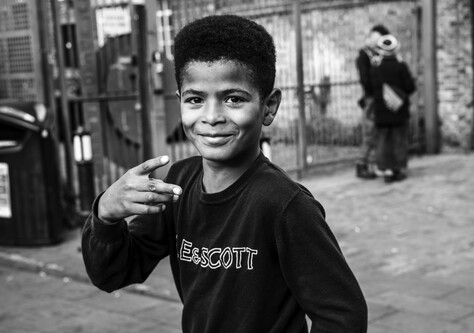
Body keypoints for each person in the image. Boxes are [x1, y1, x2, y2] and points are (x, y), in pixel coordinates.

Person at [81, 14, 367, 333]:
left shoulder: (285, 205)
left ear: (269, 107)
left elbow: (343, 316)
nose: (212, 117)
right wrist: (105, 214)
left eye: (233, 99)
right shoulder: (179, 183)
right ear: (180, 103)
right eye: (195, 99)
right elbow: (115, 274)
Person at [370, 34, 416, 183]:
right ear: (395, 49)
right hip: (399, 111)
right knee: (399, 140)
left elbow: (371, 88)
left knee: (383, 141)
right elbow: (410, 87)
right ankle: (399, 169)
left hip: (381, 112)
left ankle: (387, 170)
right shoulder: (401, 66)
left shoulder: (376, 68)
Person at [355, 24, 390, 179]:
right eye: (372, 37)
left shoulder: (379, 54)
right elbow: (365, 80)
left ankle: (374, 164)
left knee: (377, 132)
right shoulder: (364, 55)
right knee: (369, 132)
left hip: (379, 99)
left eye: (377, 38)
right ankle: (361, 165)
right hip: (371, 99)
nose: (373, 41)